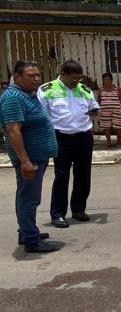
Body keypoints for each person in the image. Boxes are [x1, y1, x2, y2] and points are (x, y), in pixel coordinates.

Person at [0, 61, 59, 252]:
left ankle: (26, 231)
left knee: (25, 196)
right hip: (29, 158)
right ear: (17, 77)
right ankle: (31, 240)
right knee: (29, 198)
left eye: (37, 75)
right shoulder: (13, 98)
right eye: (30, 76)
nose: (36, 79)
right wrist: (24, 161)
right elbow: (13, 131)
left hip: (36, 156)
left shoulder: (26, 95)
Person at [38, 60, 100, 228]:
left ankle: (79, 209)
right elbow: (42, 116)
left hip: (83, 137)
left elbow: (95, 109)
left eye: (79, 78)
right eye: (73, 78)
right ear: (63, 74)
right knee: (61, 176)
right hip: (61, 137)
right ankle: (58, 214)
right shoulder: (47, 90)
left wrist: (94, 112)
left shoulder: (85, 90)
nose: (76, 81)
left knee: (83, 175)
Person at [97, 72, 121, 147]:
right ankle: (108, 142)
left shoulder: (117, 89)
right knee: (106, 127)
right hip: (104, 112)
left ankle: (119, 142)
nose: (106, 81)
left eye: (107, 79)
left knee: (118, 127)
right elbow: (98, 101)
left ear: (111, 80)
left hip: (117, 111)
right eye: (104, 79)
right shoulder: (101, 90)